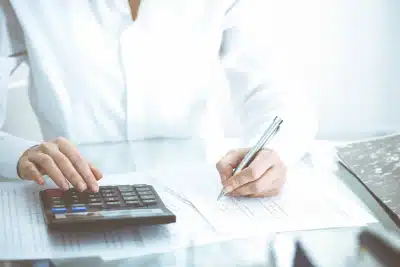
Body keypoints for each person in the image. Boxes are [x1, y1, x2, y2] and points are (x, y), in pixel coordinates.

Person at [0, 0, 317, 197]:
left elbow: (275, 88)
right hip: (79, 195)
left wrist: (275, 151)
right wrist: (17, 153)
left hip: (202, 200)